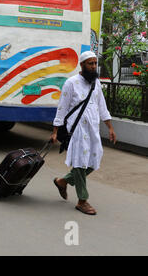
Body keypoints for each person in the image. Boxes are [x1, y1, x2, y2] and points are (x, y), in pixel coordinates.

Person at [50, 51, 117, 216]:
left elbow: (102, 107)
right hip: (77, 130)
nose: (93, 66)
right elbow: (62, 108)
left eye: (95, 63)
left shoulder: (96, 83)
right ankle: (82, 200)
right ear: (82, 65)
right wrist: (55, 131)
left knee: (94, 161)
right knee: (80, 163)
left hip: (93, 129)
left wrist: (110, 127)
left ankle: (62, 181)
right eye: (90, 63)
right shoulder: (71, 83)